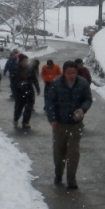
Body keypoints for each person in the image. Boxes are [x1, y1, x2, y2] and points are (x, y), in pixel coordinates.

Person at [44, 60, 92, 190]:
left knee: (73, 153)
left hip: (75, 125)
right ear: (64, 73)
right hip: (59, 124)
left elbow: (88, 99)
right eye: (69, 73)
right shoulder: (56, 84)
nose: (72, 75)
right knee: (59, 153)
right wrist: (52, 119)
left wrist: (83, 109)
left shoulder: (82, 83)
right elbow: (49, 103)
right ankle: (58, 174)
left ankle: (71, 179)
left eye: (74, 73)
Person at [11, 57, 41, 129]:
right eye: (24, 61)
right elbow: (13, 82)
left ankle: (25, 122)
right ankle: (16, 119)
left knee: (29, 107)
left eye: (27, 61)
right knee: (19, 107)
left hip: (29, 90)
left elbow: (34, 79)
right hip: (20, 91)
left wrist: (37, 89)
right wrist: (15, 91)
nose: (26, 63)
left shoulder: (30, 69)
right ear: (20, 62)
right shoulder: (16, 69)